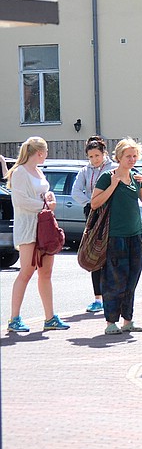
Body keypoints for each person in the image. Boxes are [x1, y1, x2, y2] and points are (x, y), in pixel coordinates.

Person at [90, 137, 142, 335]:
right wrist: (113, 186)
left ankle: (128, 320)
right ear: (119, 157)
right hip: (115, 236)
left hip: (136, 235)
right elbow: (94, 203)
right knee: (114, 280)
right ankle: (111, 322)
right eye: (128, 156)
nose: (132, 159)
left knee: (132, 279)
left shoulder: (136, 177)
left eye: (135, 156)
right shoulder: (107, 177)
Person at [6, 137, 70, 332]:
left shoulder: (39, 171)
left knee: (46, 272)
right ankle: (14, 318)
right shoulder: (20, 173)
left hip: (45, 226)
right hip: (28, 227)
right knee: (26, 270)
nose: (47, 154)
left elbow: (46, 193)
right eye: (46, 151)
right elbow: (21, 201)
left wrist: (51, 199)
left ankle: (50, 317)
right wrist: (45, 205)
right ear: (39, 153)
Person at [71, 135, 116, 313]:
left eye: (97, 155)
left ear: (104, 153)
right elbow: (75, 191)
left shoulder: (113, 168)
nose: (94, 160)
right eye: (91, 157)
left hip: (112, 213)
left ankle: (112, 296)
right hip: (93, 214)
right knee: (95, 253)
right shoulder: (85, 171)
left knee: (111, 254)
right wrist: (90, 203)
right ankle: (98, 298)